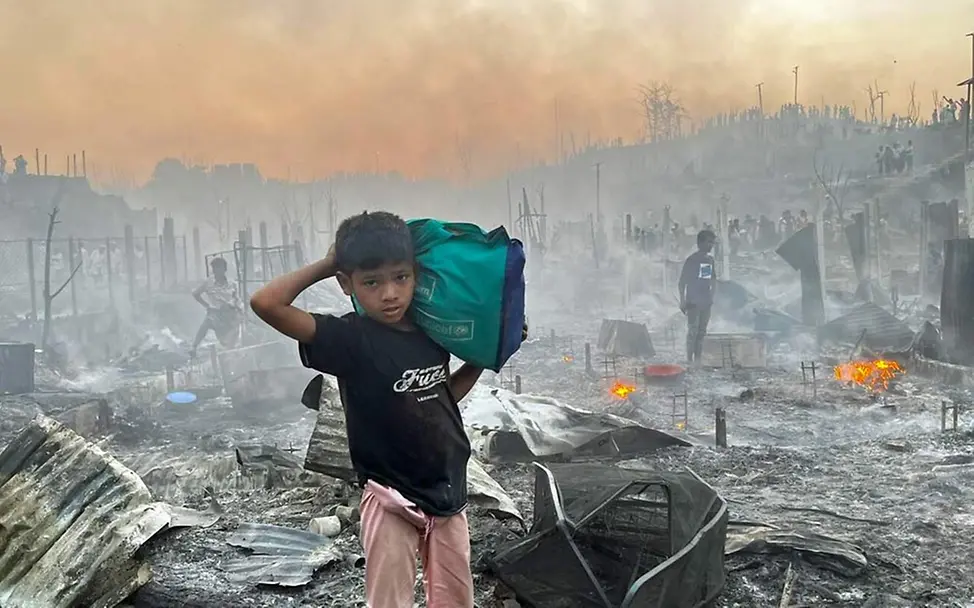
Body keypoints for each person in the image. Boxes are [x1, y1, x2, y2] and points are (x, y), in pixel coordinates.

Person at [249, 211, 490, 608]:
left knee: (456, 601)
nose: (390, 294)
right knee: (389, 601)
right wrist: (330, 262)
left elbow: (440, 396)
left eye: (400, 277)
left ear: (416, 274)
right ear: (348, 284)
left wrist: (482, 357)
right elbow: (266, 303)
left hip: (448, 491)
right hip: (390, 494)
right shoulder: (350, 339)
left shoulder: (430, 333)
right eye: (371, 282)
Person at [679, 229, 717, 365]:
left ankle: (698, 361)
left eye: (712, 242)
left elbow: (711, 279)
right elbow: (682, 281)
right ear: (700, 243)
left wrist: (711, 296)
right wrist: (682, 301)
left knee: (701, 333)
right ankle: (690, 360)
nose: (711, 245)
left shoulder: (709, 260)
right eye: (708, 242)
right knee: (693, 332)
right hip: (693, 301)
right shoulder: (692, 260)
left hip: (705, 301)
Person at [190, 257, 242, 357]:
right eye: (214, 269)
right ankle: (194, 347)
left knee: (230, 343)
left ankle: (232, 350)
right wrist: (207, 305)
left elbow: (237, 299)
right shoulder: (208, 283)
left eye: (219, 268)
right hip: (216, 313)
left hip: (230, 314)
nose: (216, 271)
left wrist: (234, 305)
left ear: (224, 269)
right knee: (207, 322)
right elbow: (195, 293)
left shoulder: (232, 284)